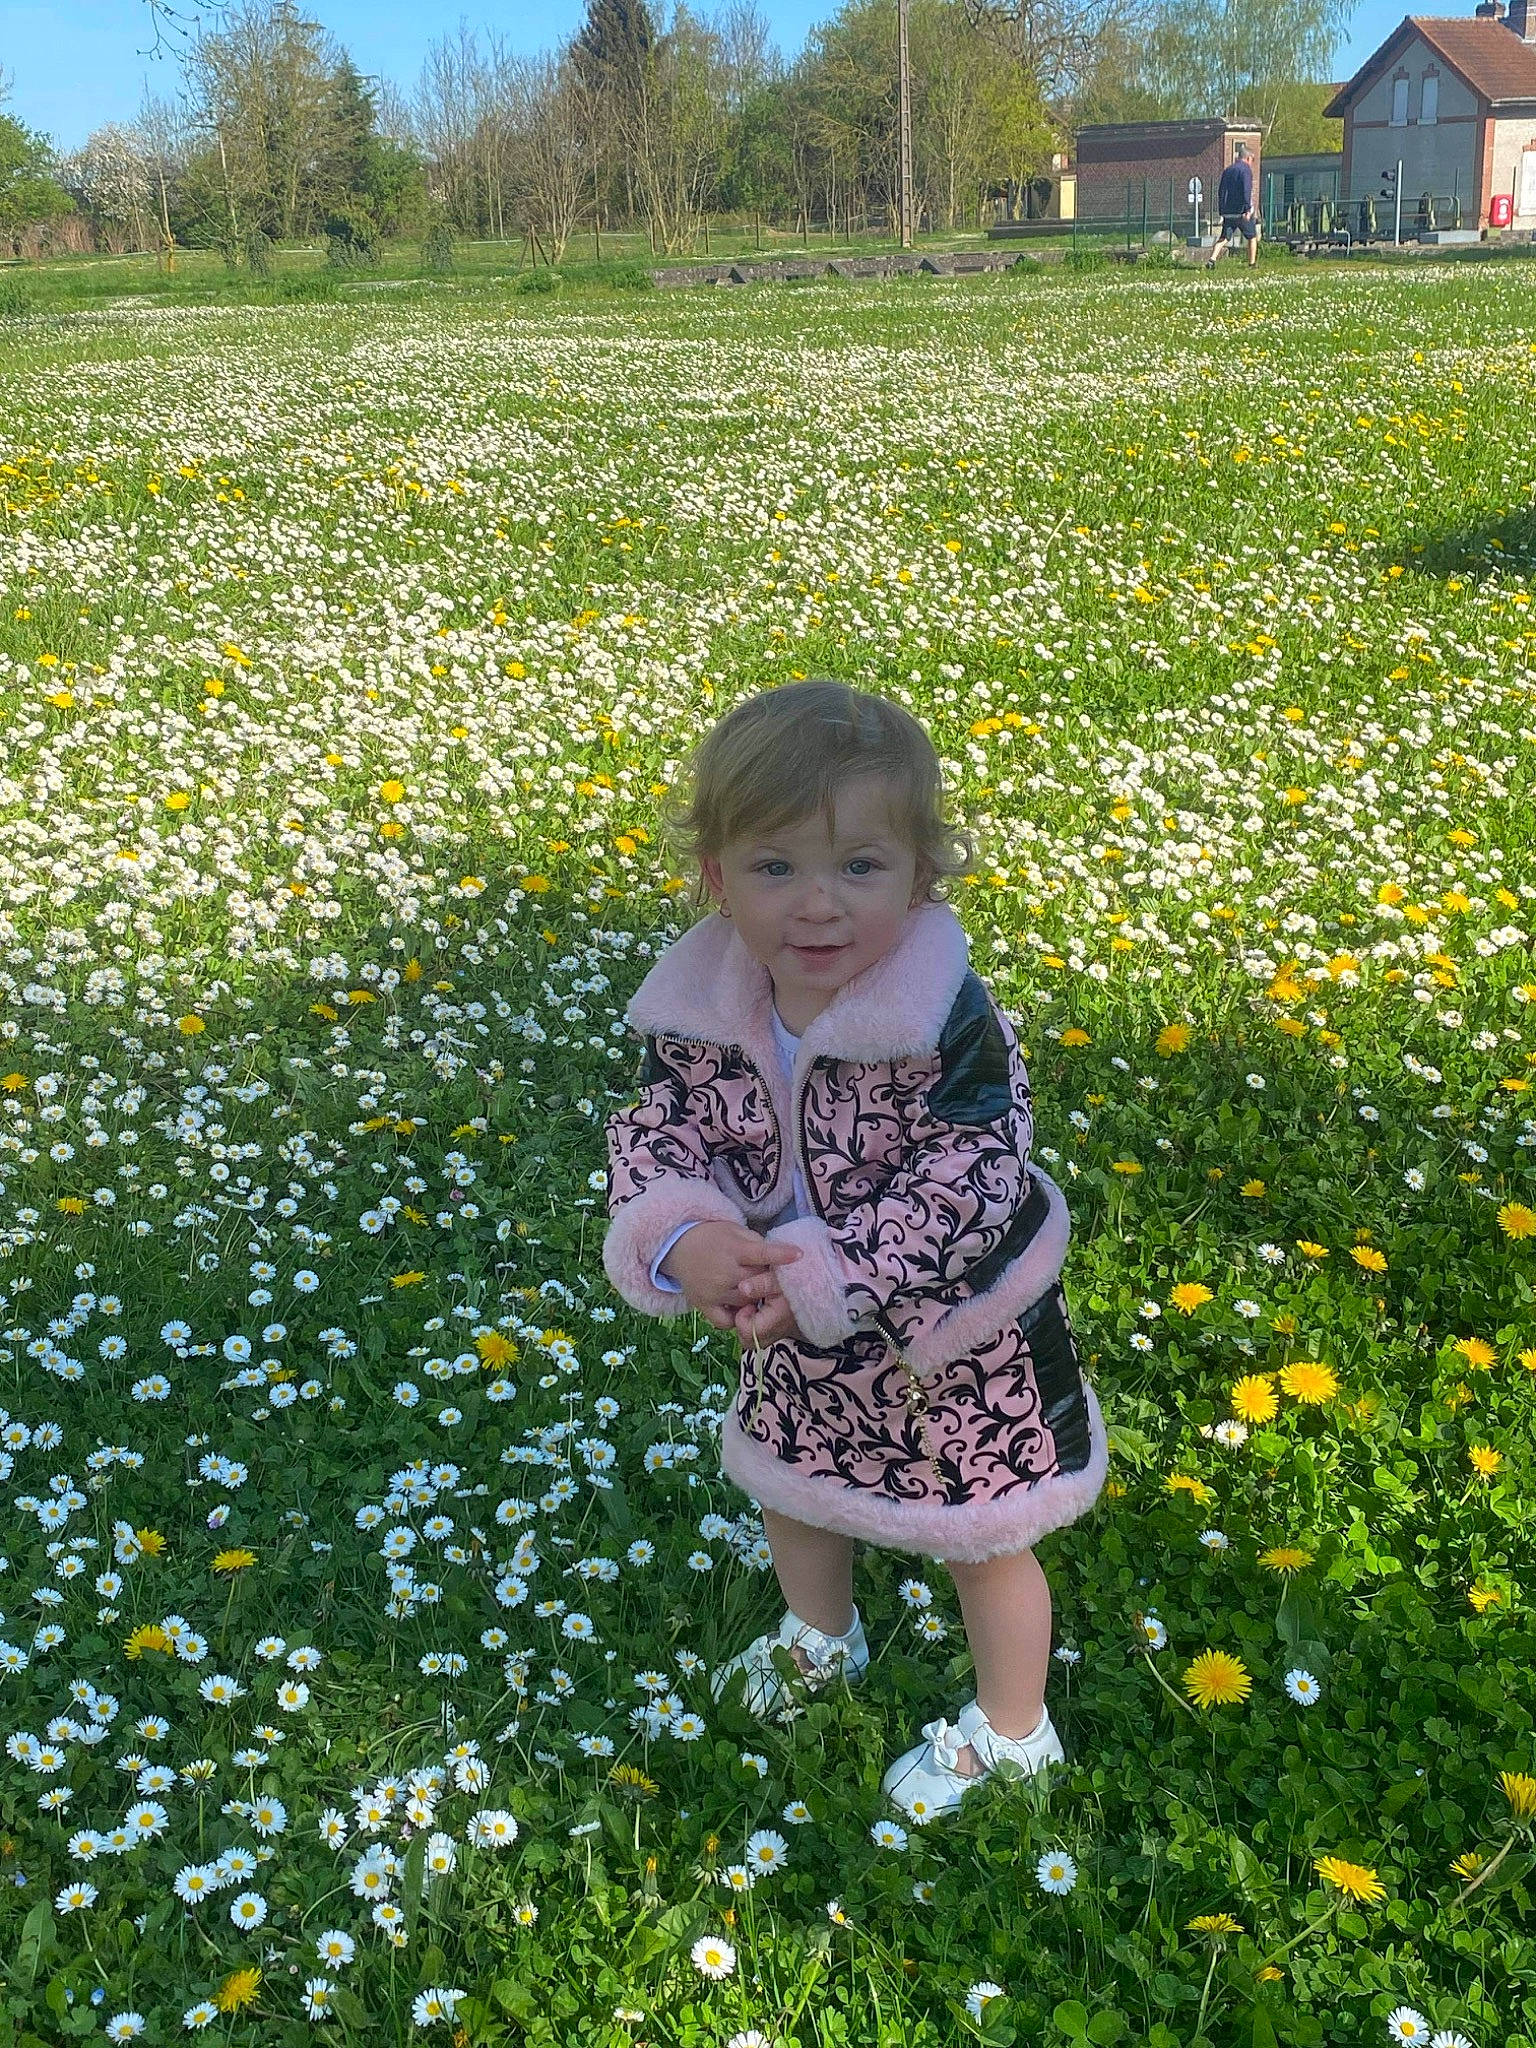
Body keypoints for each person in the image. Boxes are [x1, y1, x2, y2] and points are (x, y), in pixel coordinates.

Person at [603, 680, 1107, 1823]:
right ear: (718, 875)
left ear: (920, 875)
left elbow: (971, 1174)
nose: (817, 906)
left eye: (859, 869)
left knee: (985, 1526)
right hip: (787, 1318)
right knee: (796, 1482)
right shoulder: (699, 1007)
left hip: (954, 1334)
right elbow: (659, 1133)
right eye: (776, 868)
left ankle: (1015, 1728)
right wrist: (683, 1237)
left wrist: (829, 1274)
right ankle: (819, 1637)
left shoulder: (946, 1014)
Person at [1207, 141, 1259, 269]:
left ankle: (1211, 260)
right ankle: (1252, 264)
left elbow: (1221, 191)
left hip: (1228, 211)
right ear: (1248, 158)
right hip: (1241, 211)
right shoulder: (1245, 170)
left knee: (1224, 237)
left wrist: (1222, 210)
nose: (1252, 163)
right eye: (1252, 160)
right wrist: (1247, 208)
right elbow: (1246, 189)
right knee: (1252, 237)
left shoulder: (1228, 170)